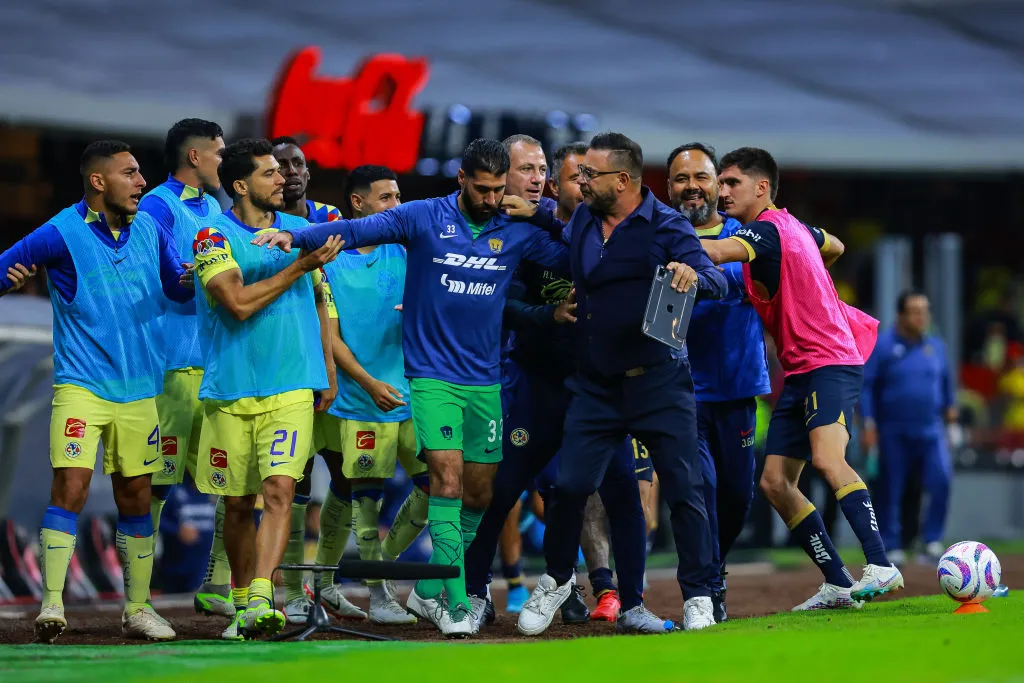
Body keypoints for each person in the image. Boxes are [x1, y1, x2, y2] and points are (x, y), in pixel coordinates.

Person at [252, 138, 569, 638]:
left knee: (480, 494)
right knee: (445, 479)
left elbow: (573, 255)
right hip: (430, 376)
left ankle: (430, 590)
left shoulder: (516, 229)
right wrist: (297, 238)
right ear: (461, 179)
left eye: (496, 190)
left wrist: (544, 213)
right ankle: (459, 603)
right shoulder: (423, 216)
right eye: (481, 189)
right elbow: (357, 228)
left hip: (485, 379)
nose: (489, 199)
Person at [513, 132, 727, 635]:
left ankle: (697, 595)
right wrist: (532, 211)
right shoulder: (586, 217)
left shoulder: (667, 226)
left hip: (659, 383)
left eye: (591, 175)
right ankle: (557, 579)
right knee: (568, 487)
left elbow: (713, 278)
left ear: (624, 180)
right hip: (597, 384)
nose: (580, 182)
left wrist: (692, 276)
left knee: (683, 489)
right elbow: (559, 230)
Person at [0, 140, 192, 642]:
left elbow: (175, 285)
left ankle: (138, 610)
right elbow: (3, 268)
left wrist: (201, 275)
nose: (141, 182)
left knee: (135, 497)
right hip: (81, 386)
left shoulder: (151, 227)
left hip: (140, 391)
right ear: (98, 181)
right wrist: (10, 281)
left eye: (140, 173)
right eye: (130, 173)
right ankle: (51, 606)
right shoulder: (61, 232)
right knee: (71, 487)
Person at [700, 146, 903, 610]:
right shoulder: (796, 228)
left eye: (731, 183)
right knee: (774, 482)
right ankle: (836, 580)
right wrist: (809, 269)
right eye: (722, 182)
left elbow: (717, 250)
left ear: (762, 187)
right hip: (802, 366)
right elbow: (836, 245)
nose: (722, 191)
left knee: (828, 461)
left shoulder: (765, 232)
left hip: (828, 360)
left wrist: (660, 242)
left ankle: (880, 563)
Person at [190, 138, 340, 640]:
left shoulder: (303, 231)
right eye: (270, 173)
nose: (284, 179)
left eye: (283, 171)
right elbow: (235, 302)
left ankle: (260, 597)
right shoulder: (210, 236)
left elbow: (321, 303)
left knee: (280, 490)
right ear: (240, 185)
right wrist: (299, 265)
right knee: (237, 502)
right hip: (232, 386)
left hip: (292, 382)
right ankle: (239, 601)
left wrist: (328, 369)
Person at [462, 138, 591, 625]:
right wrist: (548, 314)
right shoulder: (498, 230)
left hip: (582, 382)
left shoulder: (567, 225)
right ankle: (475, 590)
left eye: (541, 169)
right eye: (525, 169)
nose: (534, 178)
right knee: (502, 487)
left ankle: (565, 583)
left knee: (567, 489)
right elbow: (501, 305)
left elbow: (589, 256)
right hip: (527, 378)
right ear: (502, 176)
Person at [315, 164, 430, 625]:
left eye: (399, 197)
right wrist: (367, 382)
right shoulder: (330, 259)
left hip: (412, 393)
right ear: (358, 205)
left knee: (434, 486)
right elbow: (332, 336)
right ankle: (378, 595)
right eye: (386, 198)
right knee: (365, 497)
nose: (397, 207)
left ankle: (375, 564)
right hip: (362, 399)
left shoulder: (406, 250)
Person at [665, 142, 770, 622]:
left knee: (735, 496)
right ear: (668, 187)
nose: (692, 187)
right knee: (700, 491)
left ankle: (715, 569)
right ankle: (703, 591)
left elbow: (745, 283)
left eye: (702, 178)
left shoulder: (745, 237)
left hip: (738, 389)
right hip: (681, 392)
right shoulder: (659, 236)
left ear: (718, 184)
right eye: (681, 179)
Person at [137, 118, 231, 618]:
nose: (226, 160)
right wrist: (221, 278)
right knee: (156, 483)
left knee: (230, 481)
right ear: (195, 157)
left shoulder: (215, 207)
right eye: (220, 152)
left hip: (215, 368)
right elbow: (171, 281)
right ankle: (138, 596)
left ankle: (216, 585)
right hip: (172, 368)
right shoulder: (156, 205)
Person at [270, 136, 365, 625]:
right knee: (293, 483)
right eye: (281, 165)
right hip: (292, 369)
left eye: (298, 163)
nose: (291, 172)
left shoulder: (332, 220)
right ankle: (292, 592)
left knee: (347, 478)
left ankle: (326, 584)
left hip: (339, 366)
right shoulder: (260, 226)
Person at [862, 291, 958, 564]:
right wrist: (869, 424)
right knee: (891, 487)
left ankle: (931, 541)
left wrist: (952, 421)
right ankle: (891, 545)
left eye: (925, 310)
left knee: (941, 480)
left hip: (931, 429)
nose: (921, 316)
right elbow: (867, 387)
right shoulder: (883, 346)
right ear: (901, 315)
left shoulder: (936, 346)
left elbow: (946, 385)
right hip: (892, 429)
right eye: (915, 311)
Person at [158, 473, 217, 593]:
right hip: (175, 567)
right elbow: (155, 519)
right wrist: (176, 530)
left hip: (206, 568)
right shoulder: (173, 490)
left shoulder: (217, 492)